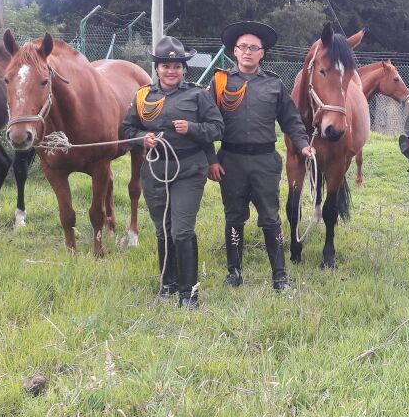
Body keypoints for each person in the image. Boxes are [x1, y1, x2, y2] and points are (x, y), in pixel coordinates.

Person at [206, 21, 314, 290]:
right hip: (230, 160)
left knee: (270, 218)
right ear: (234, 51)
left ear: (262, 53)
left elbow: (292, 121)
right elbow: (205, 123)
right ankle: (234, 273)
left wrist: (303, 145)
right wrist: (211, 159)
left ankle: (279, 276)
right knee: (234, 217)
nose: (248, 52)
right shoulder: (220, 82)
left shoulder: (274, 84)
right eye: (243, 47)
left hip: (265, 162)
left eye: (254, 48)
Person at [120, 36, 224, 309]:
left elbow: (217, 128)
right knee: (162, 229)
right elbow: (126, 130)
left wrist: (191, 128)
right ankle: (168, 282)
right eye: (165, 65)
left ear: (183, 68)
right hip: (154, 169)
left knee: (181, 230)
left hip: (189, 169)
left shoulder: (198, 94)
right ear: (157, 68)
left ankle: (189, 293)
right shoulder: (143, 96)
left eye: (176, 65)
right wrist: (142, 139)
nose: (171, 71)